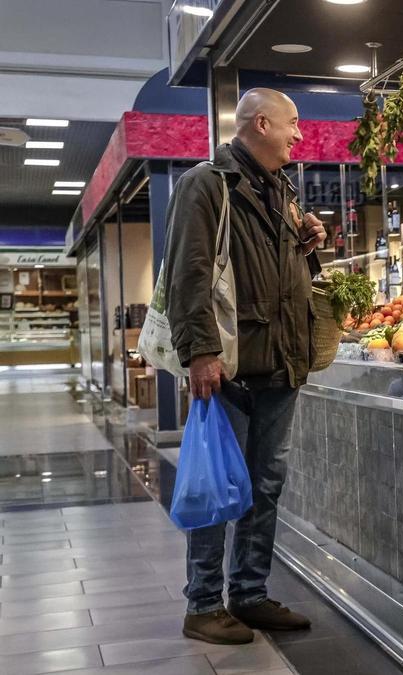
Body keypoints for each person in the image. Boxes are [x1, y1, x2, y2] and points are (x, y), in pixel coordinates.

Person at [164, 88, 326, 645]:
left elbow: (279, 272)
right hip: (229, 367)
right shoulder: (206, 185)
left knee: (265, 486)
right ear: (262, 124)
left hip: (280, 363)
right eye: (293, 125)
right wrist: (200, 352)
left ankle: (249, 594)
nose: (299, 136)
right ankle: (203, 603)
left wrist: (310, 243)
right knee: (215, 486)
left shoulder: (280, 188)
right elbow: (188, 274)